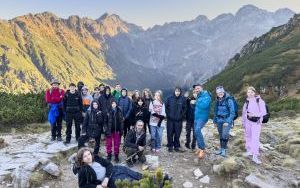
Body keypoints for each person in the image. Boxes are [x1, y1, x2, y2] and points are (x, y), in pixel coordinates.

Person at [73, 147, 143, 188]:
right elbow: (82, 185)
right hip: (111, 180)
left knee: (136, 175)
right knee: (131, 182)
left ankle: (152, 180)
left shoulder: (96, 158)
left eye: (89, 154)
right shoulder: (83, 170)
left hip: (114, 170)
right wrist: (96, 186)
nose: (88, 157)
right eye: (85, 156)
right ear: (81, 159)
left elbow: (109, 164)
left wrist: (106, 177)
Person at [242, 86, 267, 164]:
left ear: (254, 92)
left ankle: (255, 156)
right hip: (248, 122)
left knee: (255, 139)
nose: (250, 94)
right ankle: (249, 150)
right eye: (248, 92)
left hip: (256, 122)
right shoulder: (247, 101)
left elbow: (263, 112)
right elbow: (244, 113)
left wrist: (253, 115)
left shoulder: (259, 101)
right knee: (248, 136)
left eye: (251, 92)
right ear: (247, 93)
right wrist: (244, 122)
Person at [213, 86, 235, 157]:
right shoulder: (217, 100)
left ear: (224, 92)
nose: (220, 94)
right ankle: (221, 149)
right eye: (218, 93)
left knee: (224, 134)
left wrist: (228, 121)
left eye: (221, 92)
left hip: (226, 120)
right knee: (221, 135)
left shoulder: (229, 100)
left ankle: (224, 150)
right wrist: (215, 121)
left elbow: (232, 112)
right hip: (219, 120)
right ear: (217, 93)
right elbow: (215, 111)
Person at [193, 84, 212, 159]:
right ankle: (199, 148)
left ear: (202, 88)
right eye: (195, 89)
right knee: (196, 132)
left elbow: (204, 105)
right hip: (197, 117)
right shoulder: (199, 95)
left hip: (203, 117)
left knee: (197, 130)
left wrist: (196, 100)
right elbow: (197, 107)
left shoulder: (206, 95)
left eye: (198, 88)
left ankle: (202, 149)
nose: (197, 90)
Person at [165, 87, 186, 152]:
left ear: (180, 92)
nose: (177, 92)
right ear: (174, 91)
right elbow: (166, 107)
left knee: (177, 133)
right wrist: (168, 115)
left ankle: (176, 146)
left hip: (178, 120)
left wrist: (181, 116)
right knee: (169, 133)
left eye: (178, 91)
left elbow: (185, 109)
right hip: (170, 120)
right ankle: (170, 146)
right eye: (176, 91)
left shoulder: (183, 99)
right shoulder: (169, 98)